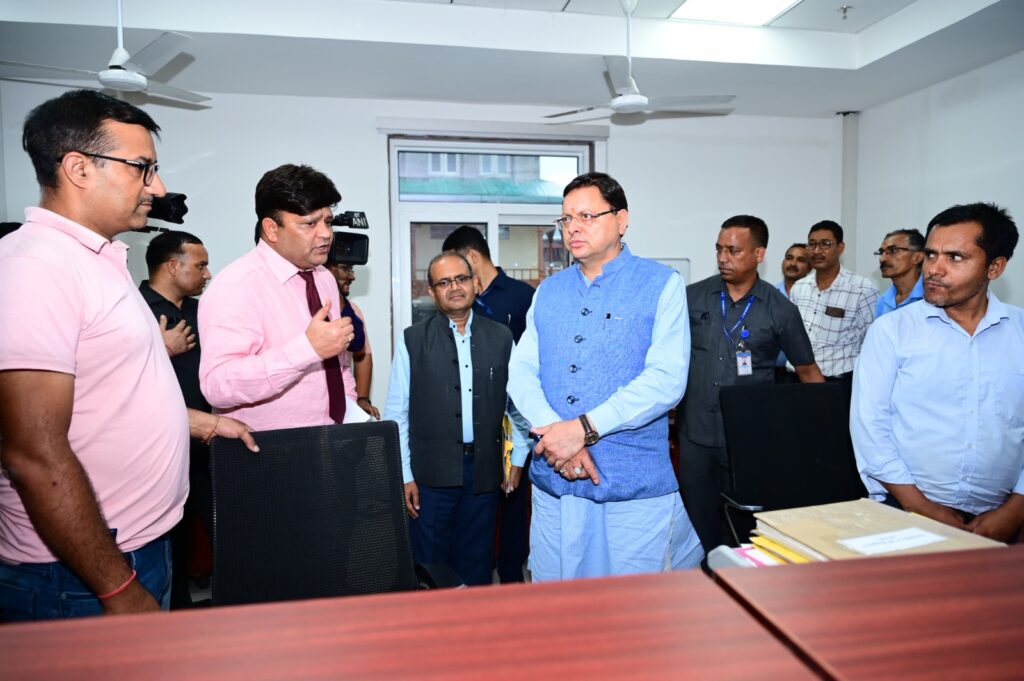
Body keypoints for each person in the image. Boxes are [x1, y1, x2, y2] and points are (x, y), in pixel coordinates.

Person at [0, 89, 256, 622]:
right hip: (80, 573)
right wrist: (116, 587)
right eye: (142, 168)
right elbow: (33, 452)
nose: (156, 187)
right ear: (79, 168)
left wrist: (206, 424)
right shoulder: (36, 266)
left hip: (137, 544)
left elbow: (111, 397)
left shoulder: (99, 262)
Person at [507, 172, 703, 581]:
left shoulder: (661, 284)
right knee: (558, 601)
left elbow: (666, 379)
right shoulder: (548, 291)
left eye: (586, 216)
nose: (573, 227)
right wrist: (556, 435)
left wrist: (582, 429)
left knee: (634, 606)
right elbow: (521, 370)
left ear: (621, 220)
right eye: (566, 218)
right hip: (555, 483)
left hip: (631, 488)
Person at [851, 202, 1024, 543]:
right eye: (931, 255)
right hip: (903, 510)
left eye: (955, 257)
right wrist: (920, 506)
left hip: (1004, 516)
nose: (934, 269)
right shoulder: (892, 331)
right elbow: (870, 426)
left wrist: (1015, 511)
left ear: (995, 267)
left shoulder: (1019, 332)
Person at [681, 216, 824, 552]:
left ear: (759, 254)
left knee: (746, 529)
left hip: (748, 440)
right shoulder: (691, 298)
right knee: (698, 524)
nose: (723, 258)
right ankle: (707, 574)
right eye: (719, 249)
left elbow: (807, 371)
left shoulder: (781, 310)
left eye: (733, 251)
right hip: (695, 436)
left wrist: (823, 438)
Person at [383, 252, 518, 586]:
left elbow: (516, 408)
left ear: (475, 283)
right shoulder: (412, 340)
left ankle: (473, 621)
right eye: (444, 282)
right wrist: (404, 476)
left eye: (461, 279)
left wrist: (517, 460)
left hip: (483, 476)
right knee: (430, 569)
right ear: (432, 292)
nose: (454, 287)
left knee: (477, 567)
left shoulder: (502, 337)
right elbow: (396, 414)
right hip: (429, 478)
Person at [198, 164, 358, 431]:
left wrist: (349, 409)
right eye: (310, 223)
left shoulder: (324, 278)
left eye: (328, 222)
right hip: (270, 447)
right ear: (271, 229)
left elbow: (338, 361)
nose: (326, 233)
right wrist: (306, 350)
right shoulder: (235, 286)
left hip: (332, 436)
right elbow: (217, 386)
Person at [441, 224, 535, 583]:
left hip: (513, 421)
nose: (455, 280)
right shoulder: (460, 301)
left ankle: (511, 578)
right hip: (469, 421)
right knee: (474, 509)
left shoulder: (523, 297)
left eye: (459, 266)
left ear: (472, 256)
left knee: (512, 502)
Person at [140, 230, 215, 608]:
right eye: (200, 266)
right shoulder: (133, 309)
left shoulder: (205, 311)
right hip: (157, 449)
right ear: (172, 266)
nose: (207, 274)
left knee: (229, 533)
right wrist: (160, 349)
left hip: (210, 444)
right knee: (171, 545)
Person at [789, 220, 878, 384]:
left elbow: (871, 343)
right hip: (797, 378)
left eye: (825, 244)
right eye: (812, 244)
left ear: (840, 248)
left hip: (838, 381)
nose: (817, 250)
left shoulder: (861, 289)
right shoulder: (799, 287)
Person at [326, 260, 379, 419]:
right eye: (345, 268)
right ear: (327, 270)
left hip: (345, 405)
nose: (352, 276)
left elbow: (362, 355)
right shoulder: (307, 306)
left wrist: (362, 398)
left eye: (351, 269)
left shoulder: (352, 311)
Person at [775, 242, 811, 377]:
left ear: (810, 267)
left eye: (801, 260)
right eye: (789, 258)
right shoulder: (770, 294)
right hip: (775, 373)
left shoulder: (814, 298)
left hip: (805, 372)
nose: (793, 263)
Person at [875, 228, 925, 317]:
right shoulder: (882, 301)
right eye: (882, 252)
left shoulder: (932, 296)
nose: (882, 259)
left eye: (893, 250)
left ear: (917, 257)